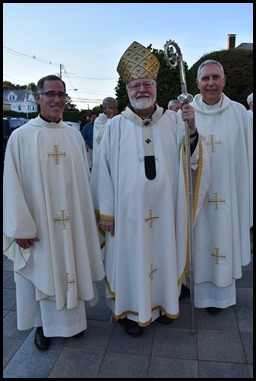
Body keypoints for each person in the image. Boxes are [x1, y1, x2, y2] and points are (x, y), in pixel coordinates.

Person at [90, 41, 210, 337]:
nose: (141, 90)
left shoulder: (174, 121)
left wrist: (192, 129)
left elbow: (191, 160)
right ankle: (131, 312)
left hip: (167, 211)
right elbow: (101, 174)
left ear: (155, 87)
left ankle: (164, 305)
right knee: (131, 261)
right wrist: (106, 212)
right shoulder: (115, 127)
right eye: (134, 85)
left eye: (146, 84)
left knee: (163, 256)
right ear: (126, 90)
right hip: (127, 217)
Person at [3, 74, 105, 351]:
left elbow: (83, 183)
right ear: (38, 98)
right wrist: (19, 229)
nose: (57, 100)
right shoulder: (21, 137)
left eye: (61, 94)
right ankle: (42, 326)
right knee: (43, 272)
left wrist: (88, 220)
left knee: (71, 266)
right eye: (50, 94)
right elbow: (12, 185)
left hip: (71, 224)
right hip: (38, 226)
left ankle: (73, 324)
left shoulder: (73, 136)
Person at [186, 59, 253, 314]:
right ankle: (199, 293)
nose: (211, 83)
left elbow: (248, 157)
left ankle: (222, 295)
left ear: (224, 81)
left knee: (225, 238)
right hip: (198, 195)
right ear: (197, 83)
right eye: (205, 79)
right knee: (199, 242)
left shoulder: (238, 113)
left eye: (215, 77)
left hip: (230, 193)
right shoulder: (187, 111)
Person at [92, 97, 118, 165]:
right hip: (102, 159)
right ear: (105, 109)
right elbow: (100, 138)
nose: (116, 110)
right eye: (113, 108)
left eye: (116, 107)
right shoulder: (99, 120)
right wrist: (110, 118)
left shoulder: (117, 119)